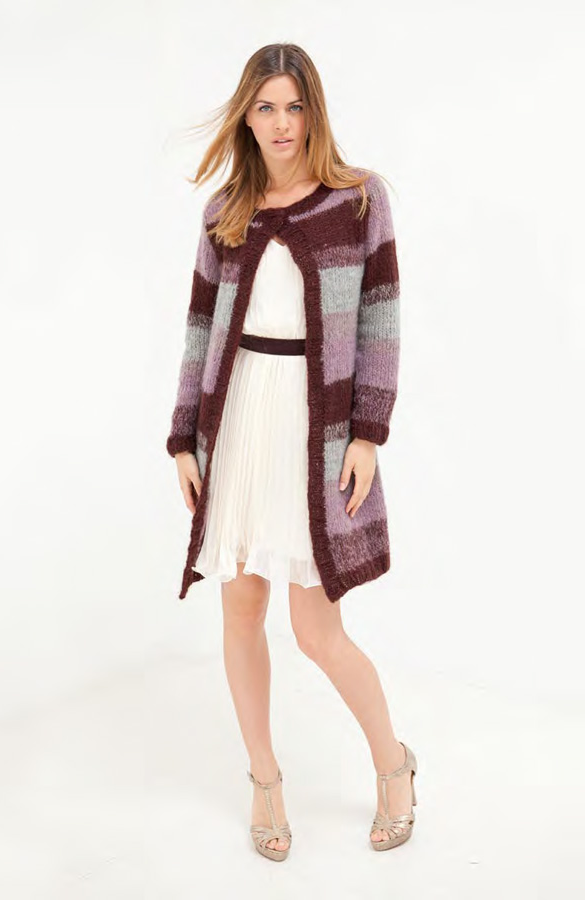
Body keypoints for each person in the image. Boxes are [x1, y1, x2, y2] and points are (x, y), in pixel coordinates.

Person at [166, 42, 417, 861]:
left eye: (294, 106)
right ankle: (265, 780)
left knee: (316, 629)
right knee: (240, 608)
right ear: (246, 115)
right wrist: (183, 437)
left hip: (316, 428)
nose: (281, 123)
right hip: (239, 417)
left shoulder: (357, 200)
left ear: (314, 112)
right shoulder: (225, 210)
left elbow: (380, 317)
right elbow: (199, 328)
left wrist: (367, 431)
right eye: (266, 107)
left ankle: (394, 764)